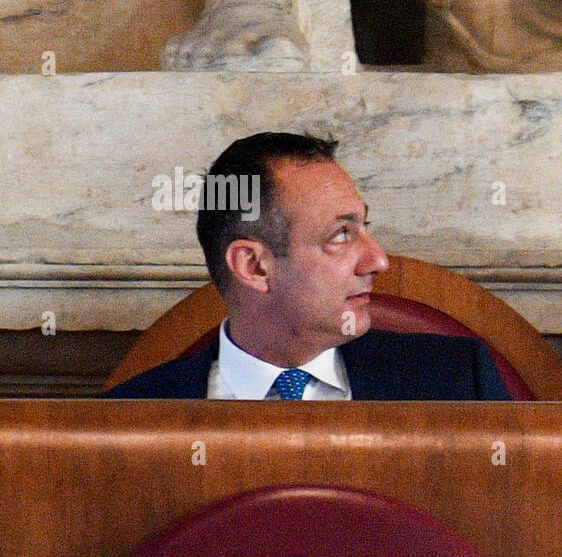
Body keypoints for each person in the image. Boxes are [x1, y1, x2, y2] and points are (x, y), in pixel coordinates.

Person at [105, 132, 510, 400]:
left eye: (362, 226)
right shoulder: (122, 420)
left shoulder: (458, 382)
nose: (379, 260)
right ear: (253, 267)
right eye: (340, 235)